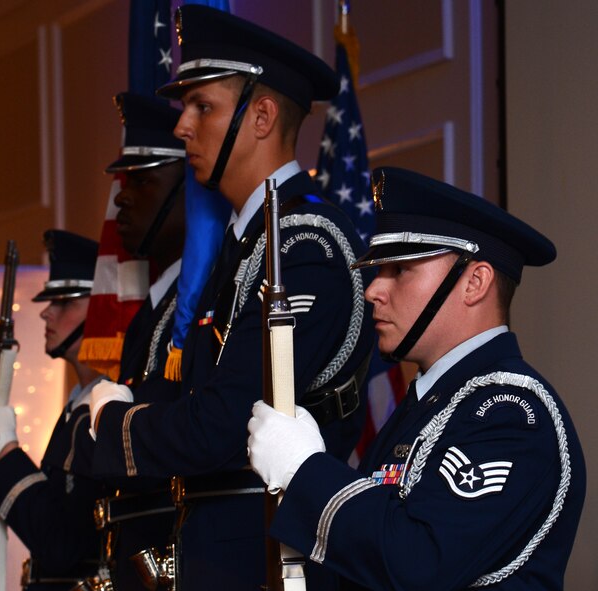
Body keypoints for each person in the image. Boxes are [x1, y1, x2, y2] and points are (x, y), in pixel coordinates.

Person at [89, 5, 375, 589]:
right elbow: (197, 392)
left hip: (267, 557)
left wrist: (114, 422)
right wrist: (134, 401)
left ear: (261, 116)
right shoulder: (243, 244)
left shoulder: (305, 246)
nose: (182, 127)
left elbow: (225, 421)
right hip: (220, 554)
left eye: (203, 107)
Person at [248, 167, 586, 590]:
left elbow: (420, 564)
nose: (373, 290)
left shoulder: (510, 413)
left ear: (474, 282)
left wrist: (306, 470)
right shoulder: (432, 403)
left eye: (400, 269)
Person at [0, 229, 107, 590]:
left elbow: (65, 545)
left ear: (103, 308)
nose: (47, 312)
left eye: (65, 302)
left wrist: (7, 450)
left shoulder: (104, 413)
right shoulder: (77, 407)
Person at [93, 91, 187, 591]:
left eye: (144, 181)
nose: (122, 198)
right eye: (124, 181)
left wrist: (104, 424)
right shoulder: (155, 308)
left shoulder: (198, 304)